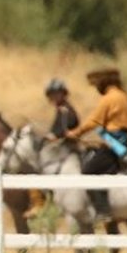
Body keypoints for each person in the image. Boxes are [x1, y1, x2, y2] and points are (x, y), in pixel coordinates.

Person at [64, 68, 127, 221]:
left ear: (103, 82)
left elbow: (94, 121)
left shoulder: (109, 98)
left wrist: (75, 133)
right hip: (124, 141)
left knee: (89, 172)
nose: (96, 88)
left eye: (96, 84)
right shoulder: (126, 97)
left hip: (113, 144)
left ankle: (103, 210)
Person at [27, 78, 81, 217]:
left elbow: (64, 131)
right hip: (62, 148)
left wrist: (53, 136)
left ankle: (42, 203)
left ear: (63, 94)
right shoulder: (62, 109)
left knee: (39, 168)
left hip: (66, 149)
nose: (53, 97)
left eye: (56, 94)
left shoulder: (65, 110)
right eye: (51, 94)